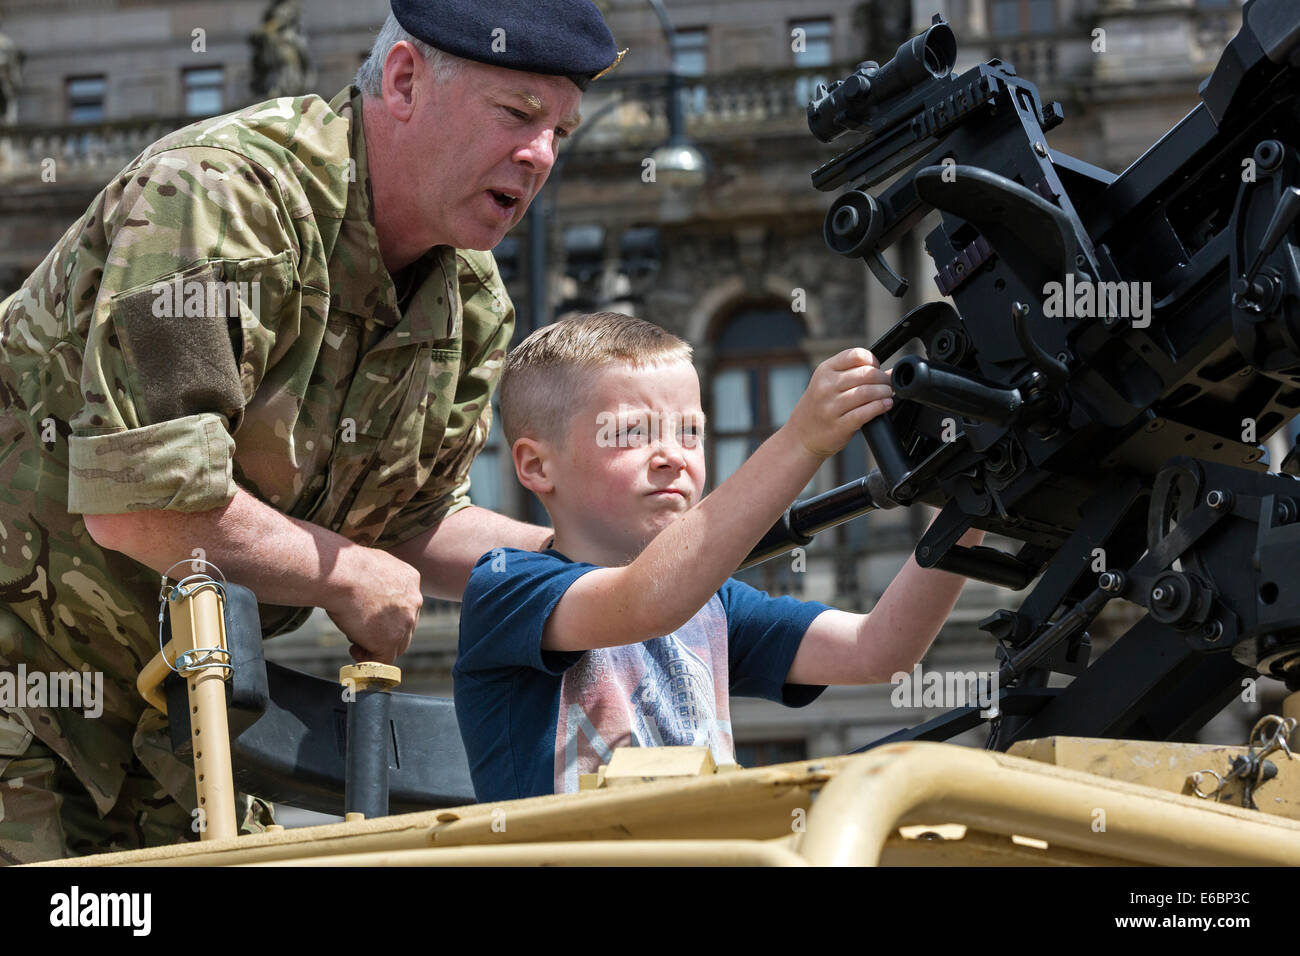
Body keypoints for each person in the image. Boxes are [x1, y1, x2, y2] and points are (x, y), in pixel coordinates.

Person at [0, 0, 620, 863]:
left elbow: (413, 520)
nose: (541, 155)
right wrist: (346, 575)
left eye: (561, 130)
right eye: (518, 114)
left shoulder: (470, 301)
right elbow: (142, 507)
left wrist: (583, 573)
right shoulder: (220, 202)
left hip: (184, 721)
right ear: (403, 80)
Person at [454, 312, 985, 802]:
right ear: (536, 466)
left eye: (690, 432)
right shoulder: (506, 589)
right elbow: (647, 599)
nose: (672, 456)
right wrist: (801, 440)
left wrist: (973, 503)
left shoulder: (714, 605)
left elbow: (880, 650)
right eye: (631, 433)